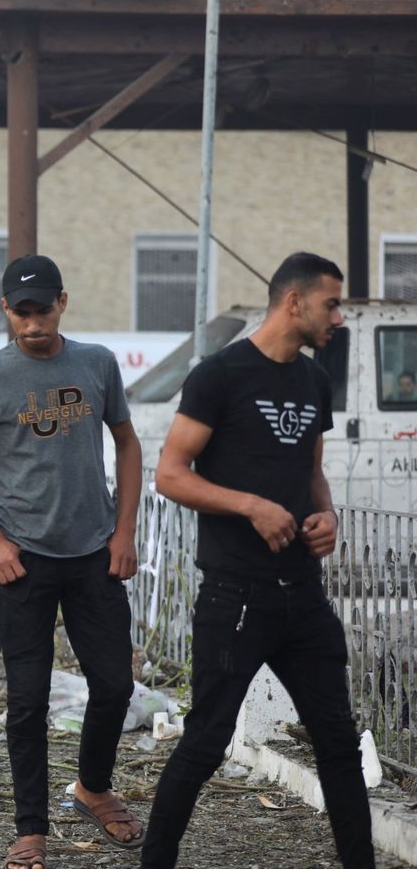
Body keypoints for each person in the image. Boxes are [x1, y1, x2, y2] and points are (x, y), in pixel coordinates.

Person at [140, 253, 374, 869]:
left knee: (338, 744)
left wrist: (326, 518)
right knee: (207, 740)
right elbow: (170, 475)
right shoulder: (220, 375)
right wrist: (250, 506)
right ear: (293, 302)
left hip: (304, 592)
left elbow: (311, 471)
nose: (339, 317)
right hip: (236, 595)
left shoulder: (314, 380)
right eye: (331, 303)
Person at [0, 255, 144, 869]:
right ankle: (30, 828)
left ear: (62, 302)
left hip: (95, 553)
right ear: (7, 310)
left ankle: (92, 787)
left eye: (42, 308)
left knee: (114, 685)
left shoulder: (97, 363)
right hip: (22, 560)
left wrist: (124, 532)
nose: (33, 322)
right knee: (26, 701)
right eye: (21, 311)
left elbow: (128, 444)